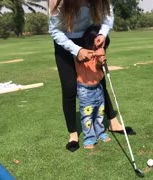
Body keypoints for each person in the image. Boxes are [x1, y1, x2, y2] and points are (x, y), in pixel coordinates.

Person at [48, 0, 135, 152]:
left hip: (87, 38)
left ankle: (113, 122)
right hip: (64, 43)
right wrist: (76, 50)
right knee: (69, 88)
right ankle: (73, 134)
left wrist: (102, 34)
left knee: (99, 80)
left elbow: (108, 18)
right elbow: (54, 30)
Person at [75, 25, 111, 149]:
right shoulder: (80, 53)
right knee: (87, 115)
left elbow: (97, 67)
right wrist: (96, 52)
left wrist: (101, 60)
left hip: (98, 88)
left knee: (99, 113)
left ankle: (100, 132)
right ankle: (89, 137)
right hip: (85, 90)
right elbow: (84, 58)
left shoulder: (99, 54)